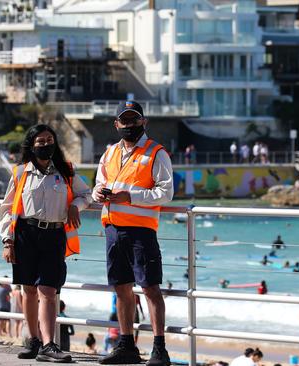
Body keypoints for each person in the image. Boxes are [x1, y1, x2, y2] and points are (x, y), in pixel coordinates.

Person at [0, 124, 91, 363]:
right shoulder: (20, 173)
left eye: (49, 139)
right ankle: (34, 341)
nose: (45, 144)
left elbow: (87, 194)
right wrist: (7, 241)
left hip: (54, 235)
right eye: (40, 141)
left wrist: (74, 206)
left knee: (49, 290)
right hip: (25, 235)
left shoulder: (66, 170)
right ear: (31, 145)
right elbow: (8, 210)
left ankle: (49, 345)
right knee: (28, 290)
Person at [93, 100, 174, 365]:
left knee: (150, 288)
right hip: (113, 228)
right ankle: (126, 345)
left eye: (134, 120)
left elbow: (166, 193)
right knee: (121, 288)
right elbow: (99, 184)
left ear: (144, 122)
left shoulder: (156, 152)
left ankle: (159, 349)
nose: (129, 125)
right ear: (116, 124)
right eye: (124, 121)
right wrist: (97, 193)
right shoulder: (109, 153)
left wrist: (130, 196)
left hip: (141, 231)